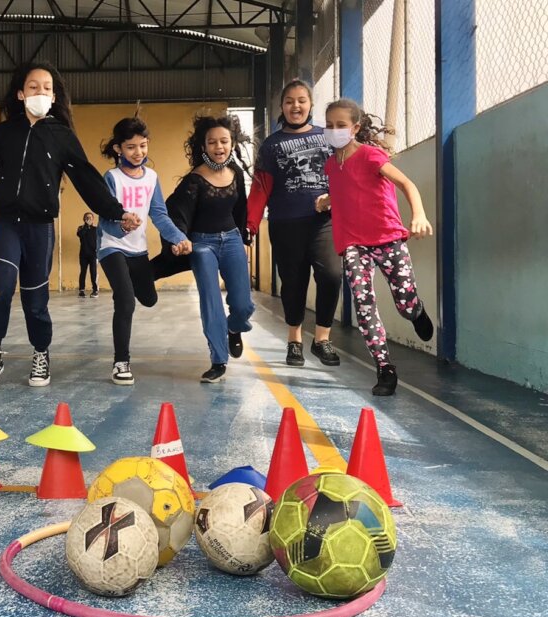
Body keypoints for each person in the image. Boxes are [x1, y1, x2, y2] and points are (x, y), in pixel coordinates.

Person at [0, 61, 141, 389]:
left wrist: (116, 211)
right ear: (20, 93)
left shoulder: (61, 136)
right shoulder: (4, 134)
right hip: (5, 222)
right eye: (33, 87)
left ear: (54, 96)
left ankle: (41, 352)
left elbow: (86, 178)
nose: (39, 92)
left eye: (46, 87)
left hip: (39, 225)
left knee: (35, 296)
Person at [320, 99, 434, 396]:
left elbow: (407, 184)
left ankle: (416, 310)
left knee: (404, 301)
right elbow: (344, 190)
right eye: (329, 125)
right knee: (363, 304)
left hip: (389, 239)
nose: (334, 130)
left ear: (355, 128)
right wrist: (327, 200)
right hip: (354, 245)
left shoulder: (372, 156)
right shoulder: (332, 165)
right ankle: (385, 368)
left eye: (341, 125)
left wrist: (418, 215)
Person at [247, 80, 342, 367]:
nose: (296, 106)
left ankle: (322, 338)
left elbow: (348, 172)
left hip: (323, 220)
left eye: (301, 100)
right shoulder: (271, 145)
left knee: (332, 275)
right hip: (285, 222)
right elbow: (261, 186)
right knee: (293, 283)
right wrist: (250, 225)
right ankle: (295, 339)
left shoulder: (330, 137)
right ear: (282, 107)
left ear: (311, 105)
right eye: (289, 101)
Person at [97, 116, 192, 385]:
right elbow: (105, 218)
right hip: (112, 245)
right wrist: (123, 227)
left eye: (143, 145)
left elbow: (160, 214)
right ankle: (121, 362)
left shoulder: (151, 177)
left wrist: (178, 238)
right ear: (118, 148)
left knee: (148, 299)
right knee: (125, 300)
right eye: (130, 147)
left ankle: (140, 278)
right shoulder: (111, 177)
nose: (138, 152)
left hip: (137, 251)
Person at [163, 113, 255, 383]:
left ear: (232, 143)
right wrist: (179, 238)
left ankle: (234, 327)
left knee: (243, 304)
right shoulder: (194, 180)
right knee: (211, 302)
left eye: (224, 141)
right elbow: (175, 211)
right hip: (202, 245)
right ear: (203, 146)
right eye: (212, 142)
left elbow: (241, 210)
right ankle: (218, 360)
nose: (219, 147)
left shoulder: (236, 174)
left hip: (233, 240)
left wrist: (244, 240)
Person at [76, 212, 99, 298]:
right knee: (83, 272)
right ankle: (81, 290)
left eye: (90, 218)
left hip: (93, 255)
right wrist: (86, 226)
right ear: (84, 219)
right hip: (83, 255)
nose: (89, 219)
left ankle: (95, 290)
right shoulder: (81, 228)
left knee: (93, 272)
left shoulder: (96, 229)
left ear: (93, 219)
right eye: (87, 218)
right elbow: (80, 235)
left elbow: (100, 240)